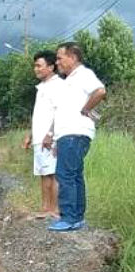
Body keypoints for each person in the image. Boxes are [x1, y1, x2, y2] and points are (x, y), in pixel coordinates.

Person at [44, 42, 107, 232]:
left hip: (75, 133)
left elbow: (100, 91)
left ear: (72, 57)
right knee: (74, 175)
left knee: (66, 175)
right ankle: (77, 217)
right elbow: (62, 111)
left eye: (59, 58)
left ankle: (70, 218)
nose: (57, 62)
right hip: (67, 135)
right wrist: (54, 136)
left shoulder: (83, 75)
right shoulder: (69, 81)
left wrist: (86, 109)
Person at [22, 50, 65, 220]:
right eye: (35, 66)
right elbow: (39, 114)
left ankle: (54, 210)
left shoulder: (58, 86)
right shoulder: (42, 87)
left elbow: (60, 113)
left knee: (53, 174)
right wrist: (30, 135)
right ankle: (45, 208)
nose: (36, 69)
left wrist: (50, 133)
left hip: (50, 138)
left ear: (51, 67)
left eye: (39, 66)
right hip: (39, 138)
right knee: (43, 173)